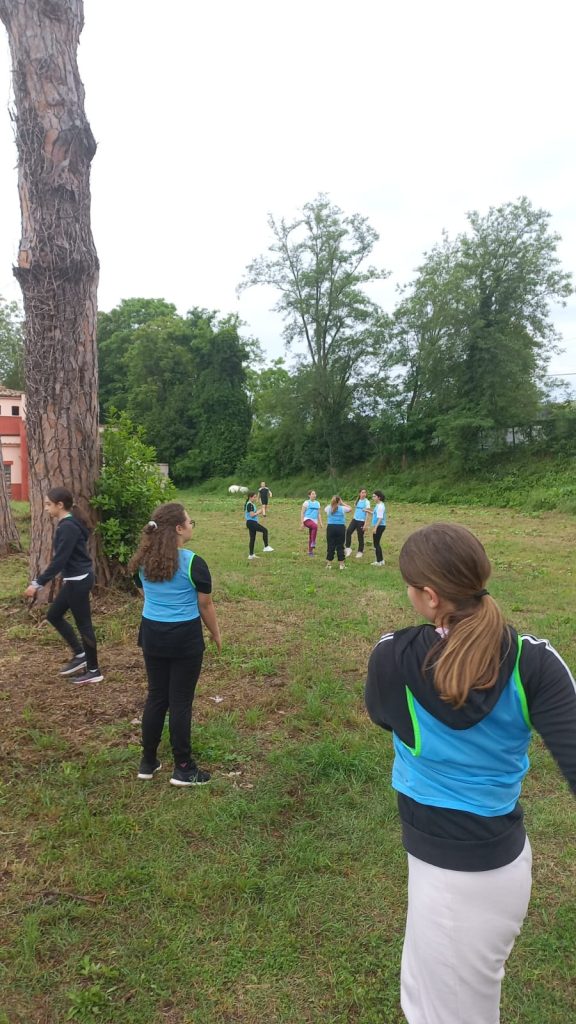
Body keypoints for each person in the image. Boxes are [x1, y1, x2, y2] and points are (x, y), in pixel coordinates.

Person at [365, 522, 576, 1024]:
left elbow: (382, 716)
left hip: (453, 876)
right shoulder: (535, 661)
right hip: (496, 861)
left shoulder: (391, 655)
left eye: (410, 586)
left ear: (431, 596)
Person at [129, 502, 222, 787]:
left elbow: (144, 592)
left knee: (157, 696)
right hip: (184, 638)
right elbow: (205, 605)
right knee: (180, 700)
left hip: (152, 634)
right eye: (190, 522)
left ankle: (148, 761)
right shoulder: (193, 563)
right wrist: (216, 633)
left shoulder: (142, 560)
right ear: (179, 529)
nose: (192, 525)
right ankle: (183, 768)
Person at [23, 486, 103, 684]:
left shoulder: (67, 527)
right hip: (75, 580)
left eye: (48, 504)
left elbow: (60, 560)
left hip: (78, 580)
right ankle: (80, 654)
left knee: (84, 625)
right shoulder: (68, 524)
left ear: (60, 505)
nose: (45, 508)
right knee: (54, 615)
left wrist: (38, 583)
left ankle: (94, 670)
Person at [324, 495, 352, 569]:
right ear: (339, 501)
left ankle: (329, 564)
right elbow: (350, 508)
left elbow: (325, 510)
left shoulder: (328, 508)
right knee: (340, 546)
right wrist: (342, 503)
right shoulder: (342, 508)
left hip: (331, 528)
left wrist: (333, 503)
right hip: (340, 528)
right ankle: (341, 565)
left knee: (330, 545)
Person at [245, 491, 274, 560]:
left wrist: (259, 511)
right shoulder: (250, 505)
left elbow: (253, 513)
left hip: (251, 523)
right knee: (265, 530)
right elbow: (252, 515)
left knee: (252, 539)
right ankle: (266, 547)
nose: (255, 498)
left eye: (256, 497)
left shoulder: (251, 504)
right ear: (250, 497)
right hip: (251, 522)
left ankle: (251, 555)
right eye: (254, 497)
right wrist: (258, 512)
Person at [345, 488, 371, 558]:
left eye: (365, 492)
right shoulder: (357, 501)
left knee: (360, 536)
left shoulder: (367, 502)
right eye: (362, 492)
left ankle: (360, 551)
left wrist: (365, 524)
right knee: (348, 531)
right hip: (354, 520)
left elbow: (368, 513)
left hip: (361, 521)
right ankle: (348, 548)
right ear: (359, 493)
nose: (364, 494)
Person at [301, 489, 323, 556]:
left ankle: (310, 552)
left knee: (311, 535)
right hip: (307, 519)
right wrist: (302, 523)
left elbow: (319, 514)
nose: (314, 495)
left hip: (314, 521)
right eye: (312, 494)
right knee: (315, 526)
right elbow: (302, 512)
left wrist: (321, 523)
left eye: (315, 494)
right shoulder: (306, 502)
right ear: (309, 495)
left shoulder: (318, 503)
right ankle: (313, 542)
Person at [370, 490, 386, 566]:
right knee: (377, 543)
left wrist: (375, 528)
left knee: (376, 544)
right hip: (379, 526)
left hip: (379, 526)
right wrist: (367, 511)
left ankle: (379, 561)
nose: (373, 498)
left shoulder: (380, 506)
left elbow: (380, 518)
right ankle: (381, 560)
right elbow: (375, 514)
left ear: (379, 497)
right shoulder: (378, 505)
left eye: (374, 496)